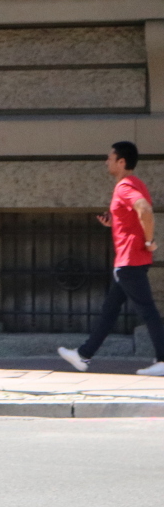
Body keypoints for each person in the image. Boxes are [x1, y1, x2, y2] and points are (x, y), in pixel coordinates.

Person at [59, 141, 164, 376]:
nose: (106, 161)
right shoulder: (136, 184)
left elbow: (144, 210)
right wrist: (114, 223)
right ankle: (83, 355)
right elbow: (133, 218)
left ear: (121, 162)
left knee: (147, 310)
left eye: (110, 157)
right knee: (109, 311)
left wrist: (148, 241)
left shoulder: (125, 186)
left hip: (129, 262)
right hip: (131, 260)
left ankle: (163, 359)